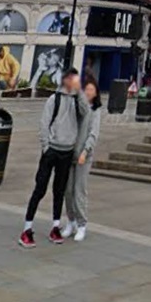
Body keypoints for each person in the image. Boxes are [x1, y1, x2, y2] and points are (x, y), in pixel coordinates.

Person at [19, 68, 89, 248]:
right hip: (52, 151)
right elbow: (44, 123)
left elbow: (86, 111)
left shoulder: (76, 100)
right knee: (40, 189)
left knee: (59, 191)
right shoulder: (54, 99)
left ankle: (56, 226)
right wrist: (46, 147)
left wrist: (79, 90)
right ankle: (27, 229)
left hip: (67, 151)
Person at [63, 76, 102, 243]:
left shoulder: (95, 111)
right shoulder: (78, 108)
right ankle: (70, 221)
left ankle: (81, 224)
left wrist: (85, 152)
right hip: (69, 153)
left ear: (96, 94)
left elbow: (93, 134)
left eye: (91, 90)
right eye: (86, 89)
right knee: (68, 191)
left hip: (83, 157)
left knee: (80, 190)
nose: (88, 92)